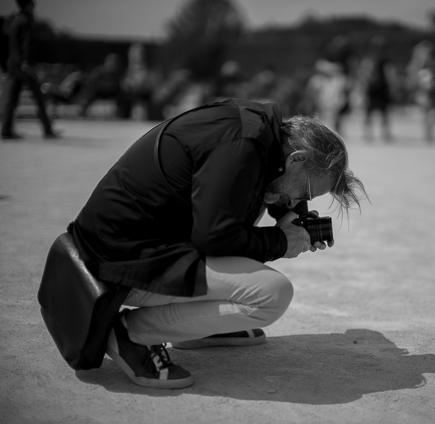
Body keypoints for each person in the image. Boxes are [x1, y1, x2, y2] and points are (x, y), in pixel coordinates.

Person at [68, 98, 367, 389]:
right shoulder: (242, 147)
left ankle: (194, 326)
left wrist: (293, 216)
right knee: (272, 293)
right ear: (297, 158)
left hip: (134, 244)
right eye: (306, 191)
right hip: (117, 261)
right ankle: (131, 333)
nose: (300, 201)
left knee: (259, 206)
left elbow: (260, 187)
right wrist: (279, 241)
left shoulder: (256, 134)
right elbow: (214, 238)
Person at [0, 0, 59, 140]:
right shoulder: (26, 21)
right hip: (24, 65)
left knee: (12, 99)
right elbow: (27, 43)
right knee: (39, 97)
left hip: (13, 64)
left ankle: (6, 130)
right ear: (28, 6)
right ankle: (48, 129)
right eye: (33, 4)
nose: (35, 7)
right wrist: (26, 61)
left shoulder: (14, 21)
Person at [358, 35, 398, 142]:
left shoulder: (368, 59)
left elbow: (362, 75)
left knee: (368, 112)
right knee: (384, 112)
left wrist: (362, 88)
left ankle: (367, 134)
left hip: (371, 88)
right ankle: (385, 134)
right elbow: (390, 75)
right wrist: (393, 88)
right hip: (382, 88)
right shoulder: (385, 60)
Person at [78, 54, 125, 118]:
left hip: (112, 97)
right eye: (110, 62)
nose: (112, 65)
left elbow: (119, 88)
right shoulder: (99, 73)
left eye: (114, 63)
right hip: (98, 95)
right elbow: (90, 85)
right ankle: (82, 111)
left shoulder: (118, 74)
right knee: (89, 95)